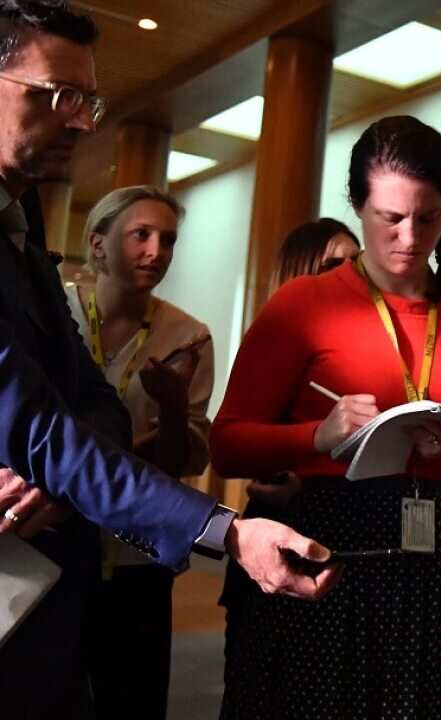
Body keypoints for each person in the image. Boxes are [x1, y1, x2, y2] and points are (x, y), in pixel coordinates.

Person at [0, 4, 336, 717]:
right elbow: (42, 428)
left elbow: (93, 401)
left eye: (89, 101)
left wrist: (58, 471)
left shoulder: (22, 221)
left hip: (57, 586)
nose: (83, 121)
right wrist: (229, 531)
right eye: (61, 95)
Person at [211, 115, 441, 719]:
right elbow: (227, 446)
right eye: (391, 218)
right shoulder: (303, 304)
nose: (410, 237)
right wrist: (318, 435)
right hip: (330, 547)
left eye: (428, 219)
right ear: (358, 205)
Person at [61, 184, 215, 719]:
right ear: (98, 244)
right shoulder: (56, 309)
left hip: (140, 550)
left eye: (168, 240)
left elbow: (178, 464)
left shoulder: (188, 336)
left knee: (132, 702)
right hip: (55, 539)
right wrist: (131, 450)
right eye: (141, 235)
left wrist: (171, 408)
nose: (157, 251)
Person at [219, 216, 360, 693]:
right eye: (334, 264)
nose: (350, 273)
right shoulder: (279, 336)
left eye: (357, 263)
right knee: (271, 687)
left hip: (350, 540)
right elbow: (235, 444)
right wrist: (295, 466)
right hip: (283, 535)